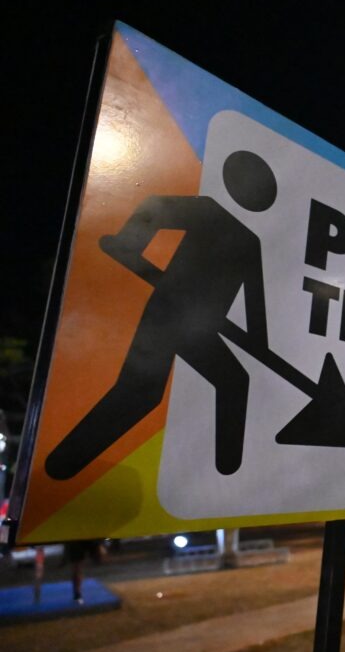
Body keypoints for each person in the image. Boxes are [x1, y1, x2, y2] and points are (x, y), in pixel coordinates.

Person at [46, 151, 277, 479]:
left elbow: (255, 302)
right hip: (168, 313)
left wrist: (259, 342)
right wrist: (128, 244)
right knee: (141, 391)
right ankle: (62, 465)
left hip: (203, 328)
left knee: (232, 381)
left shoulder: (249, 242)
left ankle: (228, 472)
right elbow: (155, 206)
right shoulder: (208, 211)